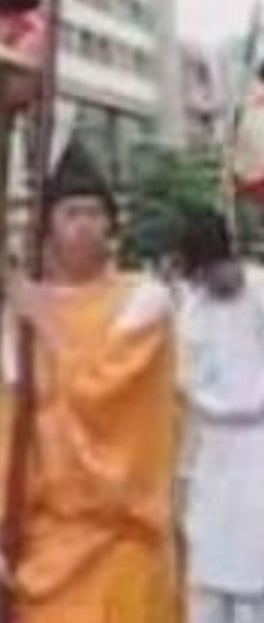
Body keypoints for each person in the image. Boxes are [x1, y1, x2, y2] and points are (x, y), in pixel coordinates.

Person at [0, 143, 179, 622]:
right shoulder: (23, 314)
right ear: (48, 227)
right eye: (71, 213)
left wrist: (45, 325)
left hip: (123, 532)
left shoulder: (145, 301)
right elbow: (13, 421)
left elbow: (102, 396)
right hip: (49, 536)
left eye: (95, 213)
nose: (85, 225)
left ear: (112, 225)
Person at [175, 207, 264, 623]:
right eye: (203, 276)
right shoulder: (192, 310)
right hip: (213, 451)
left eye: (217, 271)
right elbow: (186, 380)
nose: (213, 282)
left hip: (259, 444)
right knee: (207, 574)